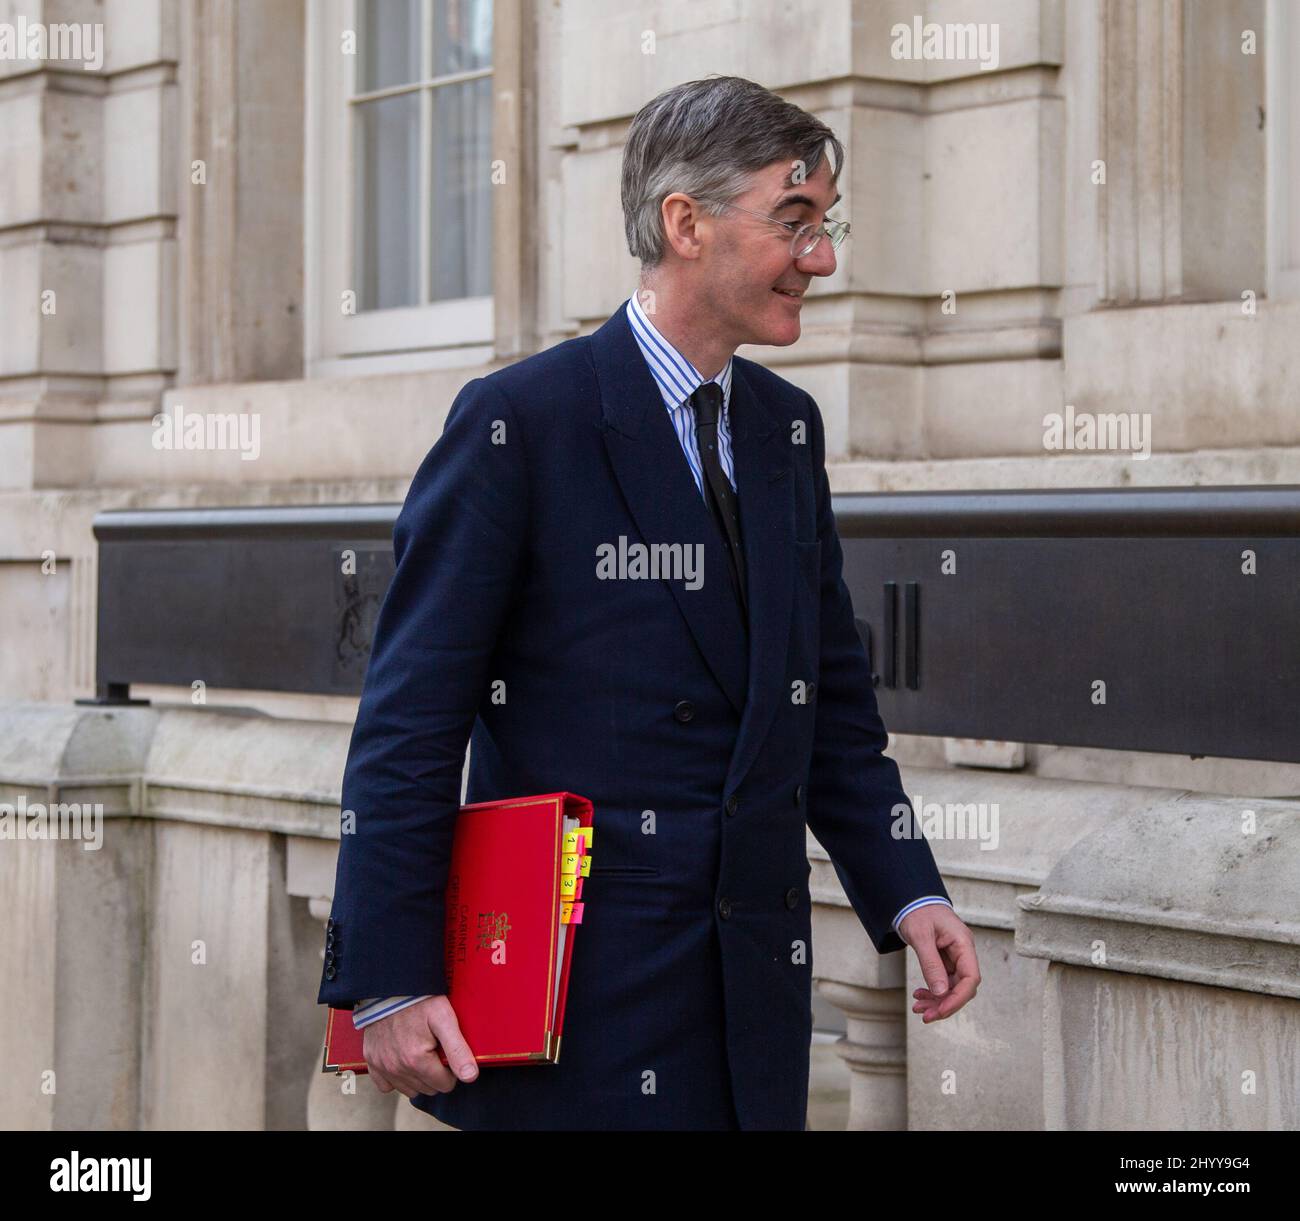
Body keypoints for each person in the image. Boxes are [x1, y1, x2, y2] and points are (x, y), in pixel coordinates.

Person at [317, 74, 979, 1131]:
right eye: (794, 222)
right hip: (579, 1007)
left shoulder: (786, 429)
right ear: (685, 224)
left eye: (825, 225)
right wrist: (387, 980)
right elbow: (409, 717)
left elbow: (827, 704)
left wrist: (907, 888)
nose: (821, 258)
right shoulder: (518, 424)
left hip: (751, 1004)